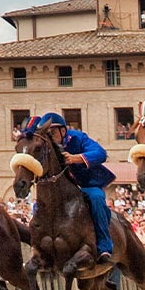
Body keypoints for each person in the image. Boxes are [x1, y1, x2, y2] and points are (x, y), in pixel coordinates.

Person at [33, 112, 116, 265]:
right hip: (62, 191)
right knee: (37, 205)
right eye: (46, 133)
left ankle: (104, 246)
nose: (49, 136)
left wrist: (75, 158)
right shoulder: (45, 146)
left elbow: (101, 154)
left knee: (97, 198)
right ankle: (40, 249)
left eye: (52, 132)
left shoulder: (78, 138)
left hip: (87, 184)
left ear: (63, 131)